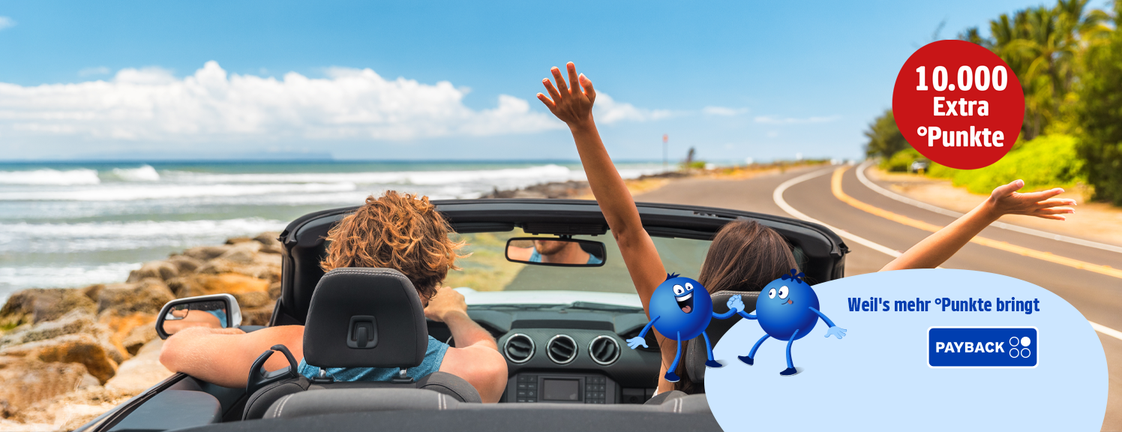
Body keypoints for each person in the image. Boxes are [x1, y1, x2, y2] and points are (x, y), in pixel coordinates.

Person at [535, 62, 1076, 394]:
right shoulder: (811, 337)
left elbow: (626, 230)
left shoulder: (680, 331)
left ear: (710, 274)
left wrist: (582, 127)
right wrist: (989, 211)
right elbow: (908, 270)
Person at [158, 191, 509, 402]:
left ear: (340, 266)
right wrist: (455, 315)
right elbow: (484, 350)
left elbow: (174, 349)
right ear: (432, 285)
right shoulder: (477, 371)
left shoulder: (285, 351)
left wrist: (232, 334)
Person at [506, 238, 601, 265]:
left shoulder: (600, 272)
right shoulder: (511, 256)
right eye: (533, 224)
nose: (541, 231)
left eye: (554, 224)